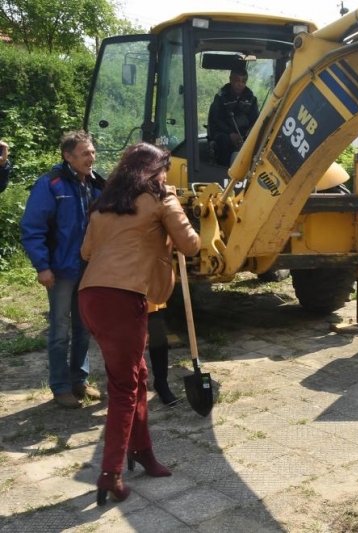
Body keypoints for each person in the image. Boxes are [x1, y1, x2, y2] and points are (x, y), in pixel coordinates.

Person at [78, 142, 200, 506]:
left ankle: (142, 452)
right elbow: (191, 245)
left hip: (91, 296)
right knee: (123, 387)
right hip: (124, 298)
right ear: (154, 170)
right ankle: (110, 472)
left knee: (137, 375)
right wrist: (172, 202)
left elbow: (86, 252)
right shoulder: (161, 197)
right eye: (164, 168)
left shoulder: (104, 202)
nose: (166, 175)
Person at [21, 131, 105, 409]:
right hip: (59, 271)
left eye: (92, 152)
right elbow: (32, 229)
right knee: (59, 331)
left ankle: (78, 381)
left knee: (84, 329)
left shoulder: (95, 184)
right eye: (85, 153)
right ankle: (59, 387)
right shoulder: (51, 184)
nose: (91, 158)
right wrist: (42, 267)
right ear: (68, 157)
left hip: (88, 269)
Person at [208, 67, 259, 166]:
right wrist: (230, 133)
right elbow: (216, 118)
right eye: (237, 80)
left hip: (244, 135)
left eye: (243, 81)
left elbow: (255, 119)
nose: (240, 84)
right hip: (224, 133)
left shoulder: (251, 98)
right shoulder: (221, 96)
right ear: (230, 79)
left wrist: (250, 131)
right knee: (222, 140)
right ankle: (224, 170)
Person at [147, 302, 178, 406]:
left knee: (158, 332)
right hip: (125, 291)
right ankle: (131, 385)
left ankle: (161, 382)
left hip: (151, 292)